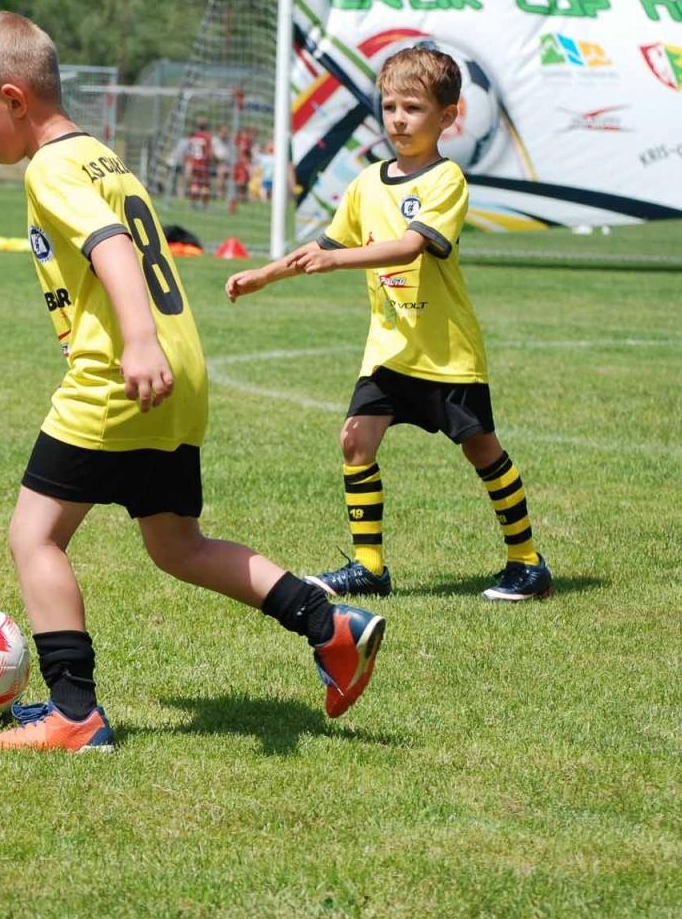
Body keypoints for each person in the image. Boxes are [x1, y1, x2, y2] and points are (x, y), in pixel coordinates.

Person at [0, 11, 385, 754]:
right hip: (180, 373)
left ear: (14, 99)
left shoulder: (51, 167)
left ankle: (73, 712)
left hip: (121, 373)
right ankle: (327, 621)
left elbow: (111, 244)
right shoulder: (100, 156)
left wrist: (136, 340)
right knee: (176, 543)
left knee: (34, 535)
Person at [225, 45, 552, 603]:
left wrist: (338, 259)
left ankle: (527, 562)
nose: (398, 119)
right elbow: (326, 243)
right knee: (356, 441)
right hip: (389, 351)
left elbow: (407, 249)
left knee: (483, 451)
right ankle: (370, 567)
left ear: (447, 117)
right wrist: (266, 274)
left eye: (414, 108)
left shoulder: (446, 181)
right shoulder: (367, 183)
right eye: (390, 106)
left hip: (445, 353)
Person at [183, 118, 217, 208]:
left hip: (194, 163)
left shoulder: (193, 136)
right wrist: (213, 160)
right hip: (203, 163)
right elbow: (209, 152)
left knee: (195, 184)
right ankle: (205, 204)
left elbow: (189, 151)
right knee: (205, 185)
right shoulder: (207, 137)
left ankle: (192, 203)